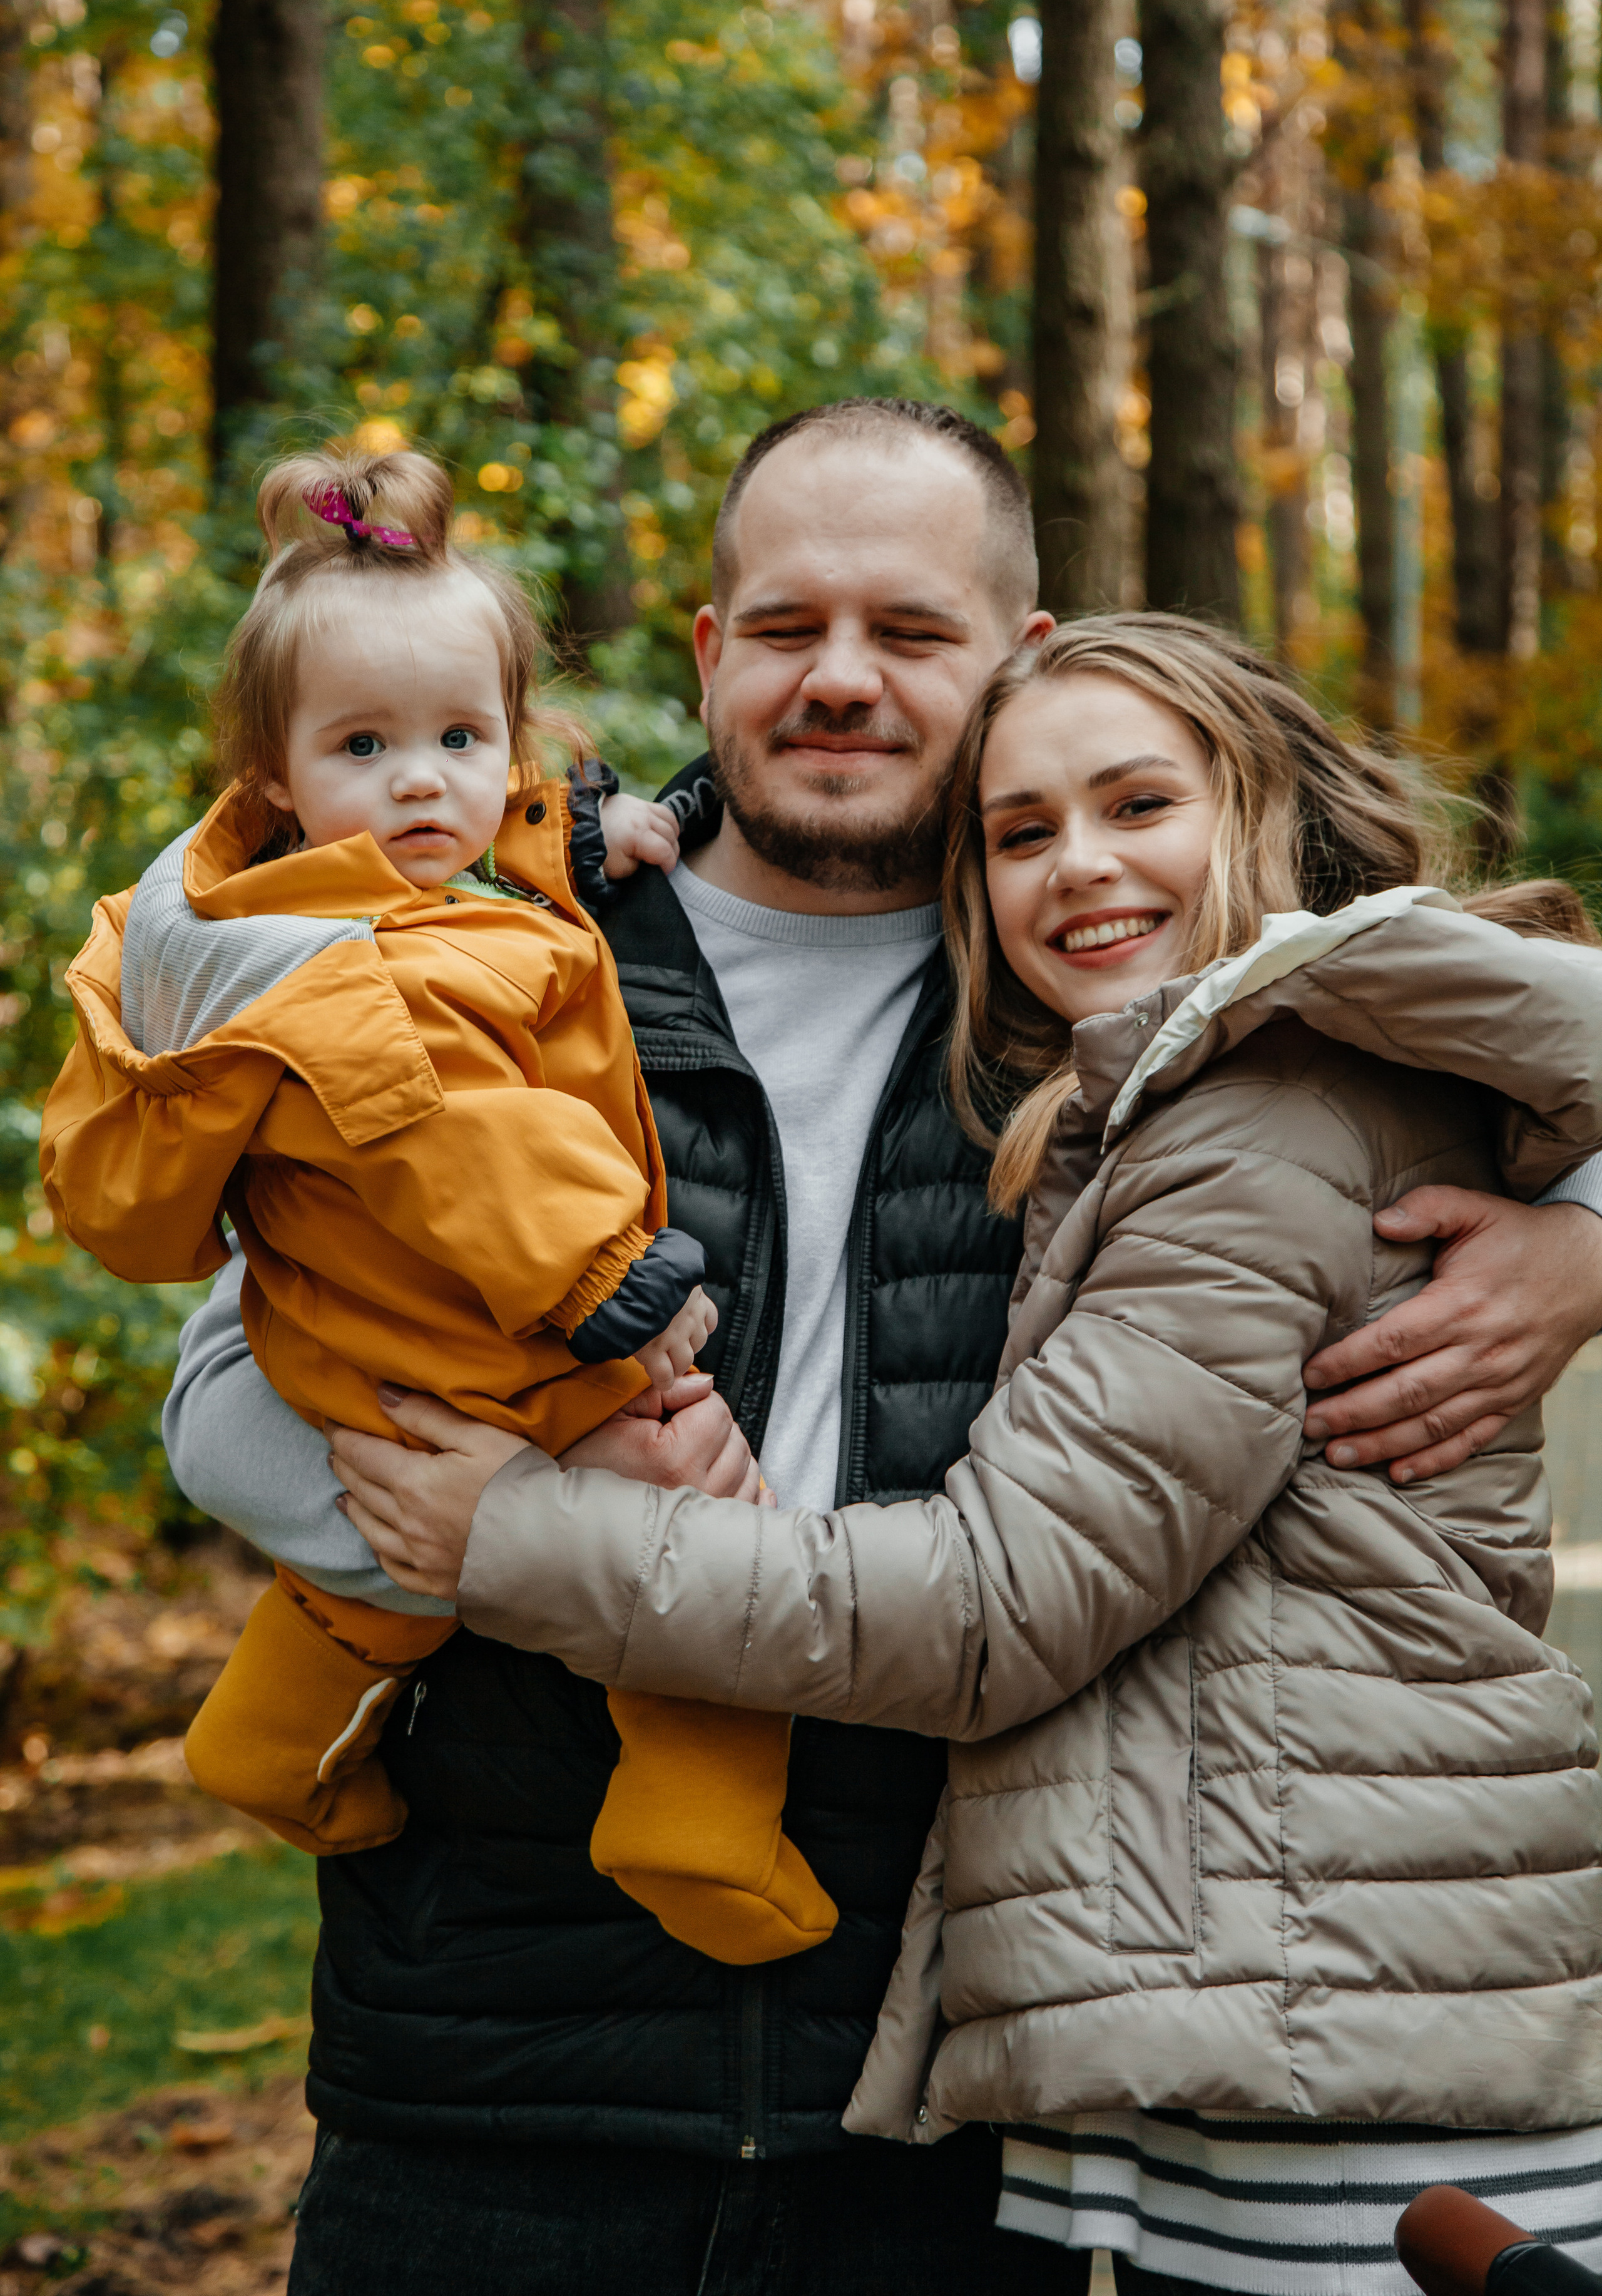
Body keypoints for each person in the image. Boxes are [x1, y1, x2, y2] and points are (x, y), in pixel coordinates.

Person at [164, 404, 1602, 2295]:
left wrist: (1587, 1232)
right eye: (786, 627)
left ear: (1018, 658)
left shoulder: (1108, 980)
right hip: (499, 2066)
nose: (839, 679)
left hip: (933, 2105)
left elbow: (1471, 1010)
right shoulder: (501, 949)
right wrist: (518, 1500)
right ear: (709, 652)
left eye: (910, 633)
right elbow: (227, 1401)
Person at [39, 441, 837, 1972]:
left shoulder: (318, 915)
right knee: (692, 1504)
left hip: (348, 1340)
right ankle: (697, 1813)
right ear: (274, 778)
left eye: (462, 737)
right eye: (364, 746)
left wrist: (579, 838)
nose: (422, 780)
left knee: (385, 1577)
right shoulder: (372, 983)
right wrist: (618, 1287)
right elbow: (467, 1146)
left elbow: (486, 883)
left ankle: (271, 1741)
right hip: (489, 1326)